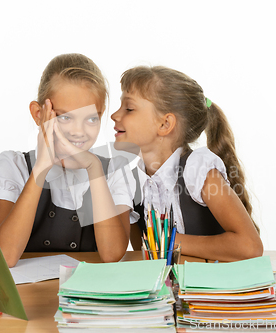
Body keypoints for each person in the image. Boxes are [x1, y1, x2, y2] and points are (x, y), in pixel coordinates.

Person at [0, 54, 133, 267]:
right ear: (38, 113)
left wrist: (94, 168)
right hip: (29, 297)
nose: (78, 131)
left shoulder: (113, 170)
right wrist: (42, 166)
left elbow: (112, 254)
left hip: (87, 298)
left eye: (91, 118)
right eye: (64, 117)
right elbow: (4, 257)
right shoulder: (15, 165)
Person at [111, 66, 263, 262]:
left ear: (165, 124)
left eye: (129, 108)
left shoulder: (197, 169)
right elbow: (143, 253)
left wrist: (169, 242)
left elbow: (249, 246)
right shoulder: (130, 181)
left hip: (212, 288)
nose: (114, 115)